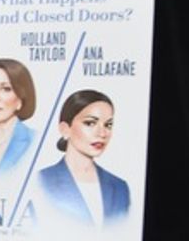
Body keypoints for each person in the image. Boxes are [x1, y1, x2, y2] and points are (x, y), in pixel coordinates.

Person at [37, 90, 130, 226]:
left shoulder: (120, 187)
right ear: (65, 129)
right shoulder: (40, 182)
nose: (102, 133)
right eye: (90, 123)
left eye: (108, 125)